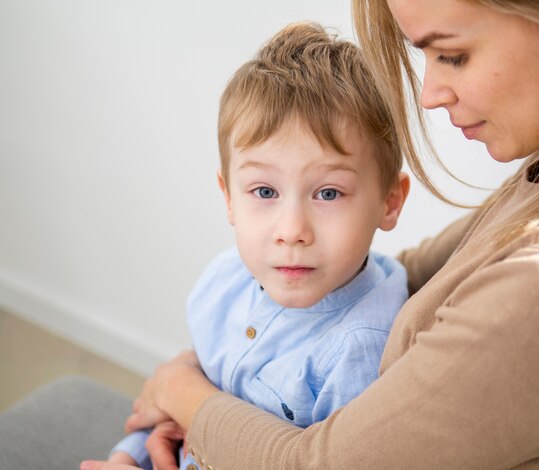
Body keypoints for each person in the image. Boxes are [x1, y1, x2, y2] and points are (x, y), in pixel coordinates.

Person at [82, 0, 539, 468]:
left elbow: (316, 464)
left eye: (454, 55)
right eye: (264, 192)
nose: (431, 93)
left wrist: (178, 390)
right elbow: (418, 272)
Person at [103, 21, 410, 470]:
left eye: (328, 193)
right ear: (228, 197)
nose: (291, 230)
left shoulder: (360, 351)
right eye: (264, 192)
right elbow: (174, 406)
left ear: (389, 202)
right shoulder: (225, 281)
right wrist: (125, 457)